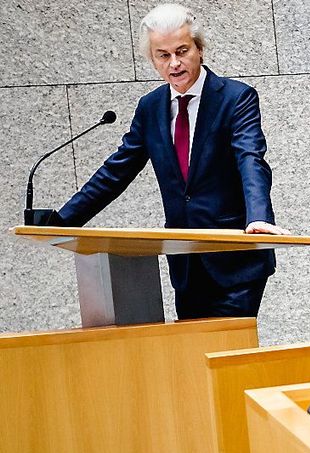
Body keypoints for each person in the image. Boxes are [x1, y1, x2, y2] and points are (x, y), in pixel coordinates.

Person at [55, 4, 288, 319]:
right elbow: (116, 172)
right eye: (163, 55)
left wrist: (258, 217)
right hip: (186, 263)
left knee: (226, 353)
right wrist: (61, 222)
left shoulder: (236, 98)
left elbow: (251, 158)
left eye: (182, 51)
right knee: (191, 356)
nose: (174, 63)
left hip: (236, 261)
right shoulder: (150, 108)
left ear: (200, 49)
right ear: (152, 60)